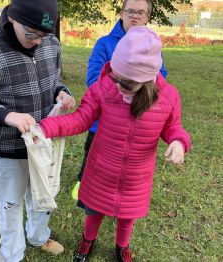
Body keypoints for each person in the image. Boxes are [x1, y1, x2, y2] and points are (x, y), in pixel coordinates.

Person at [38, 26, 191, 262]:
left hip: (136, 177)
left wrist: (179, 141)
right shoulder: (104, 88)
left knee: (127, 217)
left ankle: (122, 247)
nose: (119, 86)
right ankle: (87, 241)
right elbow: (80, 119)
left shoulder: (168, 97)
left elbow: (174, 127)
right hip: (102, 169)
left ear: (148, 78)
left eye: (127, 83)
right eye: (116, 76)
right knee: (94, 211)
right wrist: (46, 128)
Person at [0, 0, 75, 261]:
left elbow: (53, 80)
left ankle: (38, 236)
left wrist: (61, 92)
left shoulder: (50, 43)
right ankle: (11, 254)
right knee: (10, 206)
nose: (38, 42)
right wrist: (5, 115)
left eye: (44, 35)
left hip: (43, 144)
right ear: (13, 17)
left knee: (41, 198)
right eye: (32, 34)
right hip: (6, 149)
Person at [75, 0, 167, 196]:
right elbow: (93, 80)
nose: (135, 16)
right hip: (104, 120)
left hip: (136, 120)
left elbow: (161, 78)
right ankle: (83, 181)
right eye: (130, 11)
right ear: (122, 13)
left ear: (147, 17)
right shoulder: (105, 44)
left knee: (124, 162)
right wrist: (120, 95)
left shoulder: (152, 46)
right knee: (93, 154)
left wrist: (139, 95)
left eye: (140, 13)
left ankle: (117, 192)